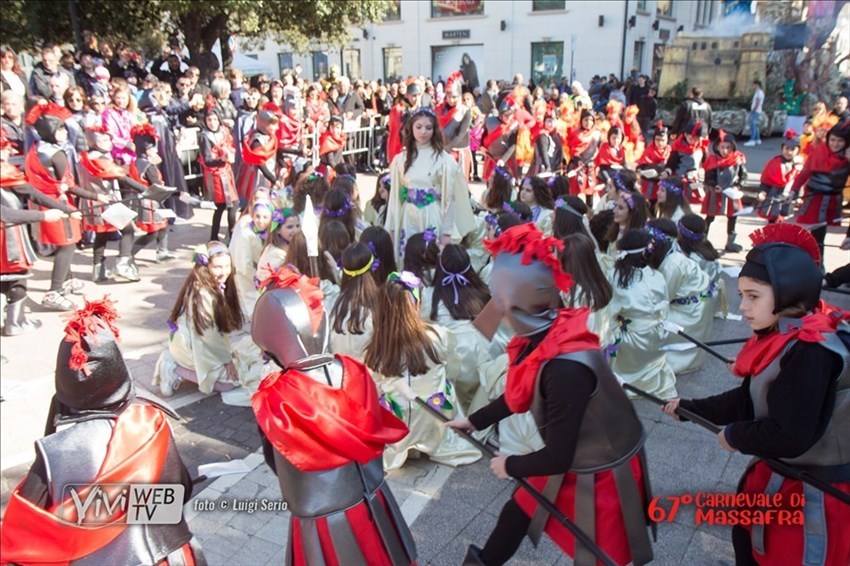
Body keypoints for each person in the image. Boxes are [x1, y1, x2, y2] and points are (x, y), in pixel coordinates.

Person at [450, 223, 653, 566]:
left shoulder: (563, 366)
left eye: (499, 301)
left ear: (515, 302)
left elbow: (558, 456)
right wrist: (474, 420)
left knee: (595, 553)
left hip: (601, 468)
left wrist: (510, 464)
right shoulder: (548, 331)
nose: (493, 311)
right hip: (574, 452)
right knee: (519, 508)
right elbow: (521, 393)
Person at [663, 223, 850, 566]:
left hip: (813, 494)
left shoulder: (810, 351)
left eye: (754, 296)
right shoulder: (789, 329)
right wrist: (688, 408)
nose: (745, 307)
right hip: (781, 476)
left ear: (788, 293)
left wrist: (736, 435)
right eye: (742, 296)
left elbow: (790, 432)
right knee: (746, 545)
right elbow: (750, 397)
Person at [0, 298, 206, 565]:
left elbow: (23, 529)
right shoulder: (151, 424)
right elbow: (178, 491)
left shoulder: (55, 452)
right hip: (164, 555)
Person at [250, 265, 417, 565]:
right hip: (374, 498)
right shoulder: (354, 371)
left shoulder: (276, 398)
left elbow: (276, 460)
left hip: (322, 518)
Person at [364, 270, 480, 471]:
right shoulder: (439, 335)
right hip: (435, 415)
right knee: (445, 383)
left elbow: (373, 386)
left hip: (396, 422)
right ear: (417, 304)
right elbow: (453, 367)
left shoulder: (378, 346)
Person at [24, 102, 102, 311]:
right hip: (58, 204)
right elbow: (69, 185)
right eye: (59, 128)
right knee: (67, 245)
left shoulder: (36, 148)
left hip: (44, 203)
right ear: (49, 130)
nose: (63, 132)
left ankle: (67, 280)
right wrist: (95, 196)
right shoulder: (56, 154)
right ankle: (55, 291)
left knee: (63, 244)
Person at [1, 136, 74, 334]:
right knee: (14, 277)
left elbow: (31, 193)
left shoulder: (6, 175)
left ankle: (14, 322)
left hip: (9, 234)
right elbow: (4, 213)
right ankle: (13, 323)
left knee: (14, 278)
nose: (8, 153)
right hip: (5, 239)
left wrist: (63, 209)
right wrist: (43, 215)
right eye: (4, 149)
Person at [384, 107, 475, 262]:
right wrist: (393, 227)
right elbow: (394, 198)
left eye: (428, 127)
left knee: (431, 259)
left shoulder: (444, 160)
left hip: (432, 214)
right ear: (411, 128)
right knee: (408, 257)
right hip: (408, 216)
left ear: (435, 130)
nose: (423, 132)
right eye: (418, 127)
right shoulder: (401, 159)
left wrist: (447, 233)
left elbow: (450, 199)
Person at [155, 242, 245, 397]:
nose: (224, 272)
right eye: (217, 267)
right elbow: (207, 333)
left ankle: (184, 366)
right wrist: (227, 360)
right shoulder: (202, 293)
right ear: (205, 267)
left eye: (227, 266)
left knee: (237, 370)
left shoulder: (214, 284)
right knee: (229, 384)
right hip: (192, 343)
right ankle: (172, 367)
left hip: (199, 340)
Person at [608, 228, 678, 398]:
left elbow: (609, 311)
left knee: (609, 335)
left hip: (632, 339)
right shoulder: (656, 275)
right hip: (657, 335)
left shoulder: (615, 276)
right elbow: (664, 306)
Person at [77, 125, 149, 282]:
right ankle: (122, 264)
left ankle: (98, 269)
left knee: (101, 234)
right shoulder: (100, 159)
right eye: (103, 139)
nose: (108, 142)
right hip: (105, 200)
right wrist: (146, 189)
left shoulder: (84, 157)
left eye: (109, 138)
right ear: (93, 141)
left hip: (91, 201)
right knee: (128, 230)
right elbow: (122, 177)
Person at [646, 219, 714, 375]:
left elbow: (662, 299)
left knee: (642, 326)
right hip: (689, 304)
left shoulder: (672, 264)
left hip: (691, 313)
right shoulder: (670, 256)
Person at [788, 120, 850, 262]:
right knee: (816, 234)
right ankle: (816, 263)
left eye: (840, 141)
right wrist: (793, 191)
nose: (835, 144)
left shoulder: (847, 157)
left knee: (821, 234)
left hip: (832, 200)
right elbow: (804, 173)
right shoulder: (818, 151)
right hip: (814, 198)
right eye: (832, 139)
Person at [127, 124, 175, 267]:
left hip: (146, 200)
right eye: (151, 148)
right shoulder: (148, 165)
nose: (154, 150)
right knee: (153, 232)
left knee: (163, 226)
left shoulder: (136, 162)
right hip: (151, 201)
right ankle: (128, 254)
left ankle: (162, 251)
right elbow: (156, 183)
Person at [329, 242, 380, 360]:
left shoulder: (332, 302)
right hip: (368, 374)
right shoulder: (379, 304)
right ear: (373, 267)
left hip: (340, 371)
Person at [702, 130, 747, 252]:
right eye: (722, 147)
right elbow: (708, 178)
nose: (725, 150)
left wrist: (738, 186)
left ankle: (730, 242)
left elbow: (743, 176)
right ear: (717, 147)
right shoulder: (712, 160)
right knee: (710, 217)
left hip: (732, 194)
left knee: (733, 217)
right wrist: (714, 185)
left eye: (728, 147)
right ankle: (702, 239)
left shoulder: (738, 159)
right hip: (715, 194)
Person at [199, 107, 238, 241]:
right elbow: (208, 160)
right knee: (230, 204)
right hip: (216, 175)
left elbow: (231, 146)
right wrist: (221, 159)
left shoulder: (224, 132)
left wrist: (230, 154)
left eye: (215, 119)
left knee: (224, 206)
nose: (212, 122)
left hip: (226, 172)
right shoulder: (205, 136)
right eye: (209, 119)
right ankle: (230, 236)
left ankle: (215, 237)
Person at [235, 109, 279, 204]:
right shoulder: (257, 140)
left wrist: (300, 152)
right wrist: (273, 179)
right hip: (257, 177)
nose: (277, 127)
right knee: (255, 204)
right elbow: (259, 162)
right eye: (273, 124)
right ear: (263, 124)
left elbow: (279, 150)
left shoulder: (271, 137)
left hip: (267, 176)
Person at [435, 71, 473, 180]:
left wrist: (446, 149)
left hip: (458, 153)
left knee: (459, 185)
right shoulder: (439, 110)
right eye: (449, 96)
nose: (452, 100)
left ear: (460, 96)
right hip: (442, 151)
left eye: (455, 97)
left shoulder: (464, 111)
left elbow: (460, 135)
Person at [665, 120, 708, 205]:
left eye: (696, 139)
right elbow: (671, 163)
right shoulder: (677, 148)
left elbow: (706, 163)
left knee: (691, 202)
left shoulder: (702, 148)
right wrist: (667, 171)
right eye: (690, 138)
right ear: (685, 135)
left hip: (694, 179)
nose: (693, 141)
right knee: (676, 200)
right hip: (679, 178)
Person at [567, 109, 602, 208]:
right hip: (577, 166)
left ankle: (589, 210)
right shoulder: (575, 133)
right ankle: (571, 211)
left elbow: (600, 148)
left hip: (590, 167)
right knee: (574, 190)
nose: (588, 122)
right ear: (581, 120)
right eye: (586, 120)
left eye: (591, 120)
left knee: (589, 190)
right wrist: (577, 160)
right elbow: (572, 150)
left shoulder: (597, 133)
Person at [255, 207, 300, 283]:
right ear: (278, 230)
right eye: (290, 227)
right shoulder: (276, 254)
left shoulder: (290, 246)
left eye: (298, 226)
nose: (295, 230)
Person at [636, 122, 671, 214]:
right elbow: (642, 164)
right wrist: (640, 170)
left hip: (664, 182)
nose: (660, 143)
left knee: (664, 206)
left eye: (662, 140)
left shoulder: (670, 151)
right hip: (651, 183)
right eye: (657, 140)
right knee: (651, 205)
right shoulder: (649, 150)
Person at [481, 98, 519, 181]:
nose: (509, 118)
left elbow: (513, 145)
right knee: (490, 183)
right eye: (506, 115)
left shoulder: (514, 125)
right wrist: (482, 146)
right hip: (491, 157)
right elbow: (485, 134)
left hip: (507, 160)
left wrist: (503, 160)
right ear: (501, 114)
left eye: (511, 115)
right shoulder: (491, 121)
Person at [744, 80, 765, 146]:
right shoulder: (758, 92)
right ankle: (757, 139)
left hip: (756, 111)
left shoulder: (759, 93)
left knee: (753, 125)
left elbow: (757, 103)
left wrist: (753, 110)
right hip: (757, 110)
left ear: (757, 85)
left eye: (753, 85)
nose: (752, 86)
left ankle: (752, 140)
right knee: (755, 125)